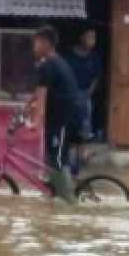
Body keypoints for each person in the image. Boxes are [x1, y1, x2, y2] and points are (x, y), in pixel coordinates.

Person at [28, 25, 85, 183]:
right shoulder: (57, 62)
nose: (34, 48)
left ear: (45, 43)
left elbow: (41, 97)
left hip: (64, 120)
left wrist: (35, 122)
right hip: (62, 118)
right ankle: (55, 196)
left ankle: (69, 201)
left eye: (36, 43)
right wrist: (26, 108)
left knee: (57, 162)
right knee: (52, 159)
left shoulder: (48, 65)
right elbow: (37, 95)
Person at [62, 27, 104, 141]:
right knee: (69, 121)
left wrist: (89, 91)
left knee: (85, 120)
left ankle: (82, 150)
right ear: (81, 37)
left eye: (94, 37)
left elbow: (96, 76)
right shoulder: (69, 55)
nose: (92, 40)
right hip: (70, 93)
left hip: (86, 93)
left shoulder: (94, 57)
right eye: (90, 36)